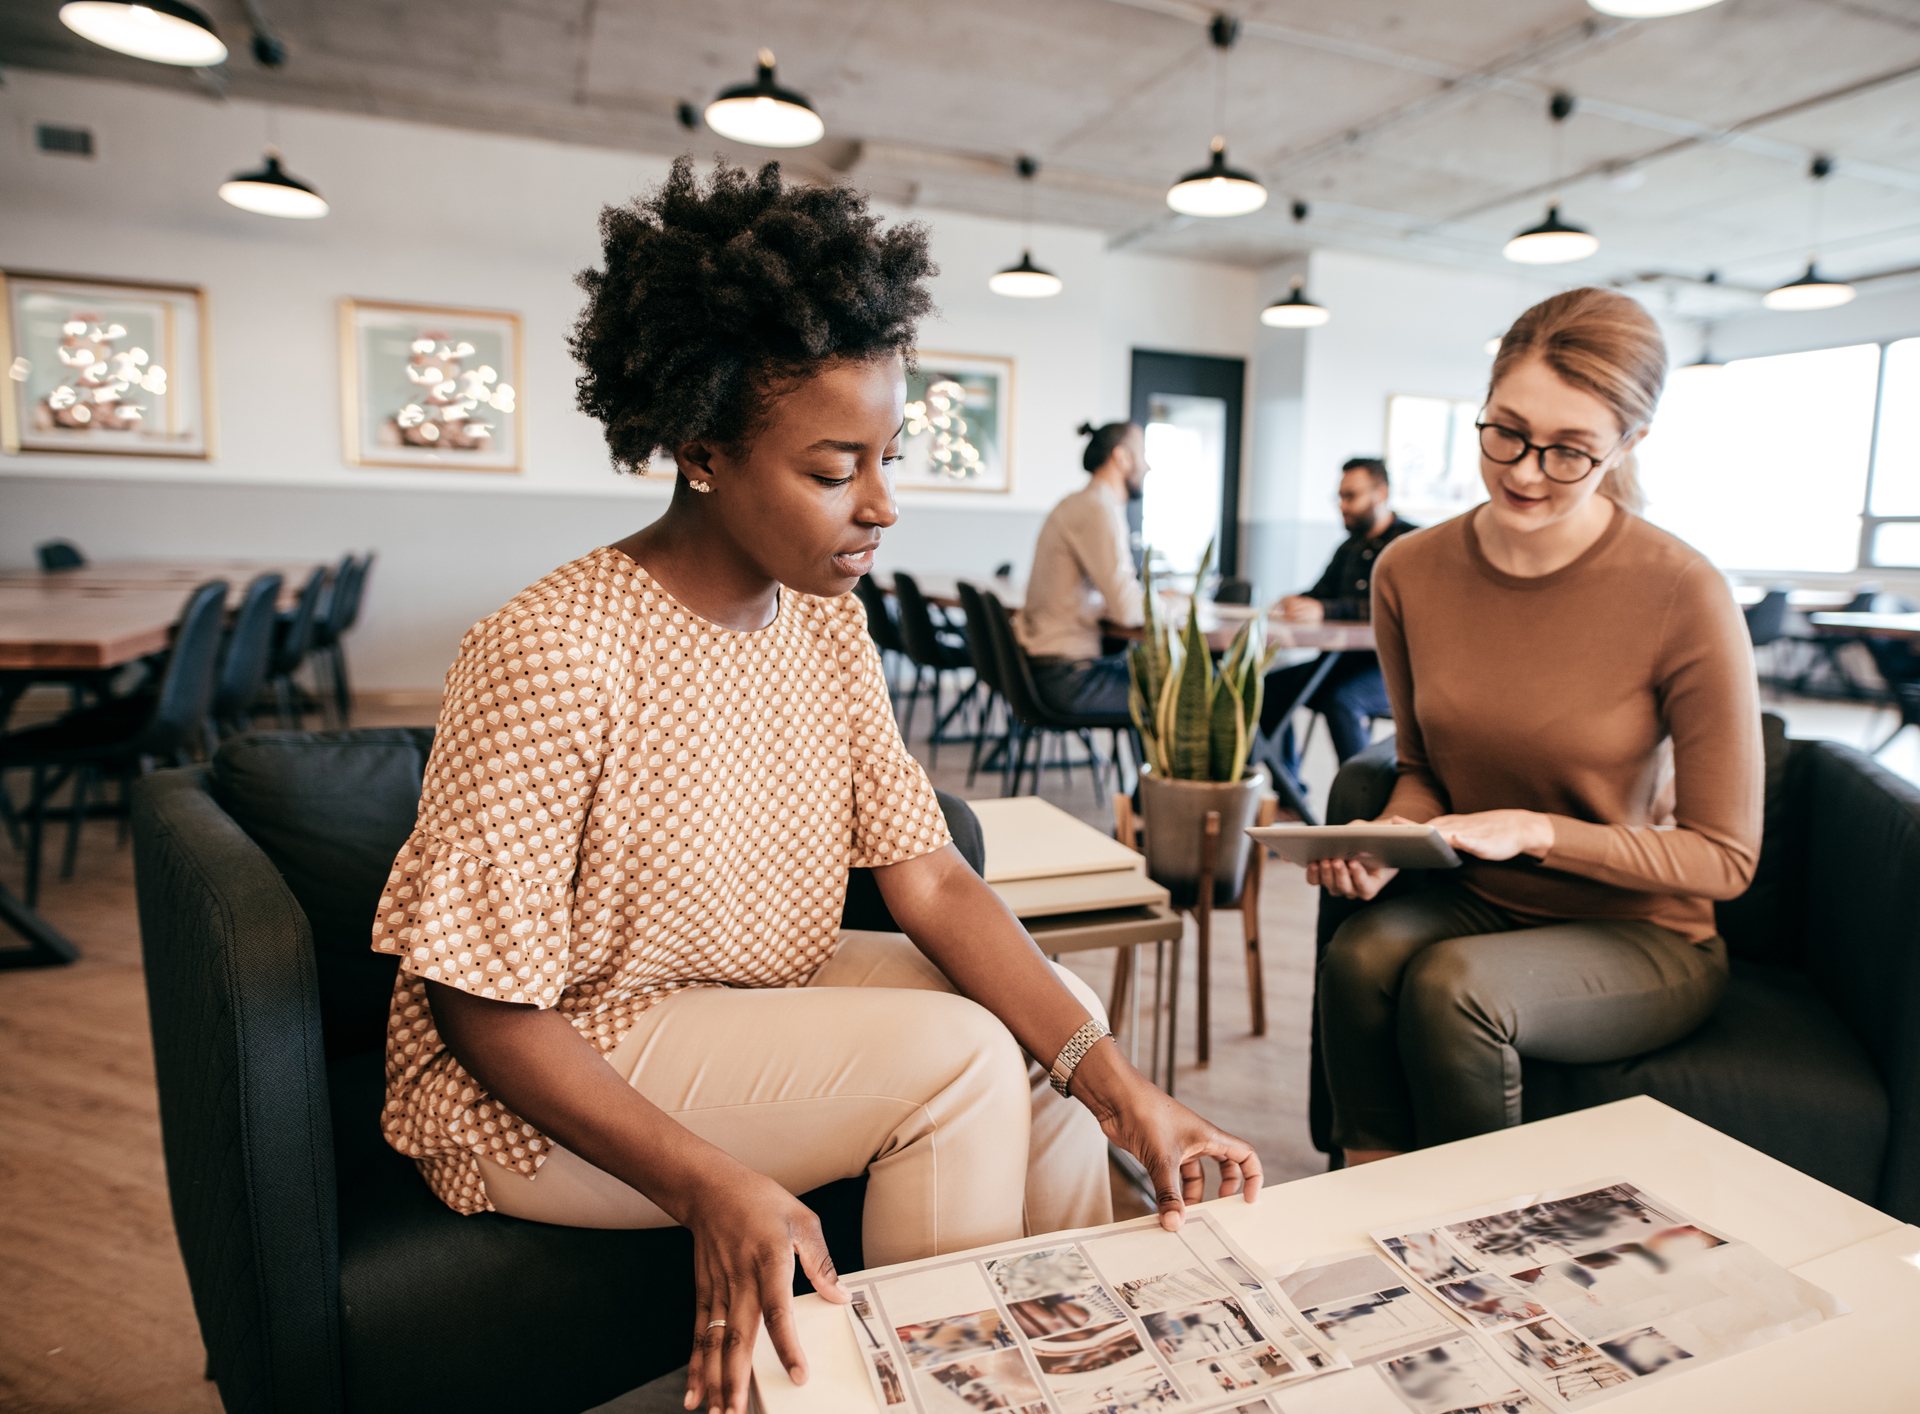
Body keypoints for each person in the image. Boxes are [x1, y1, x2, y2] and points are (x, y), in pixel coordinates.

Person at [369, 159, 1261, 1414]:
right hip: (560, 1061)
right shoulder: (552, 647)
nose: (884, 505)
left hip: (747, 994)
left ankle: (1073, 1368)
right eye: (835, 468)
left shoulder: (820, 620)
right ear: (699, 451)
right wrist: (705, 1183)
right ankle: (935, 1392)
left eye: (887, 456)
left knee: (1045, 1007)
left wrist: (1128, 1096)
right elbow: (479, 1008)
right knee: (954, 1054)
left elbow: (931, 874)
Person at [1312, 287, 1763, 1165]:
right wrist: (1387, 837)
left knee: (1454, 987)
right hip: (1482, 903)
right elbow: (1421, 768)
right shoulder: (1409, 570)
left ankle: (1478, 1249)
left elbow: (1725, 858)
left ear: (1628, 445)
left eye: (1569, 452)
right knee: (1359, 958)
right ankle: (1362, 1198)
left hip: (1645, 933)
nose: (1523, 471)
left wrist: (1537, 830)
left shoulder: (1682, 590)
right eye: (1506, 431)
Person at [1259, 457, 1417, 782]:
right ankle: (1291, 790)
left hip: (1393, 669)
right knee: (1271, 686)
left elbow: (1392, 606)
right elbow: (1322, 592)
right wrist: (1297, 601)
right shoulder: (1348, 548)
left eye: (1351, 496)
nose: (1342, 506)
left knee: (1342, 699)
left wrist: (1326, 610)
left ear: (1381, 492)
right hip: (1341, 662)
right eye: (1340, 496)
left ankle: (1361, 803)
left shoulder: (1410, 546)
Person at [1015, 420, 1149, 715]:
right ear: (1122, 456)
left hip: (1040, 667)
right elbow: (1127, 611)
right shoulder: (1097, 508)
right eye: (1142, 453)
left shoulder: (1077, 502)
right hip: (1066, 676)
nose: (1148, 465)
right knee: (1180, 694)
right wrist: (1179, 608)